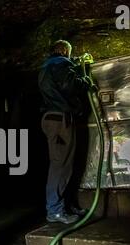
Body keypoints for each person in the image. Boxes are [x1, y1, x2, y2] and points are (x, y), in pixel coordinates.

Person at [38, 40, 93, 224]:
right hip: (60, 120)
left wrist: (76, 63)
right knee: (60, 165)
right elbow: (69, 85)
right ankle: (55, 211)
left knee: (64, 164)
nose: (70, 56)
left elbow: (61, 79)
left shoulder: (48, 66)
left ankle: (65, 206)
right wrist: (85, 81)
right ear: (63, 51)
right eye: (69, 52)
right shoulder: (61, 64)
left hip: (52, 118)